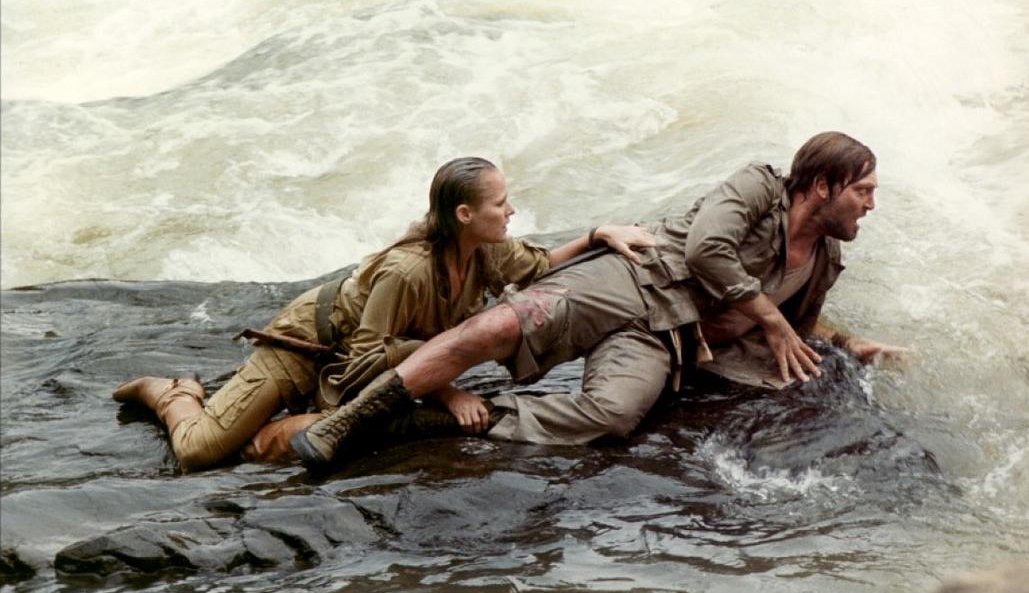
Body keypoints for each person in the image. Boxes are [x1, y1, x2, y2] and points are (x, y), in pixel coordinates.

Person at [290, 132, 905, 465]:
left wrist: (853, 345)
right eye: (865, 190)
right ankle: (349, 420)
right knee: (496, 329)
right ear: (822, 185)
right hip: (631, 279)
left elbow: (805, 327)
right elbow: (705, 251)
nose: (871, 206)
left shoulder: (823, 260)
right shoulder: (756, 186)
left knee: (613, 417)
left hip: (665, 338)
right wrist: (769, 318)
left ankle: (427, 418)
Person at [113, 157, 655, 472]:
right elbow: (368, 354)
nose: (511, 211)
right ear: (465, 215)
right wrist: (448, 390)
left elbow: (536, 266)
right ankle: (174, 392)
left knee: (356, 431)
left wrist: (597, 235)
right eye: (500, 203)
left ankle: (262, 429)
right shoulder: (406, 271)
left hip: (360, 367)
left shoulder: (484, 250)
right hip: (309, 349)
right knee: (200, 452)